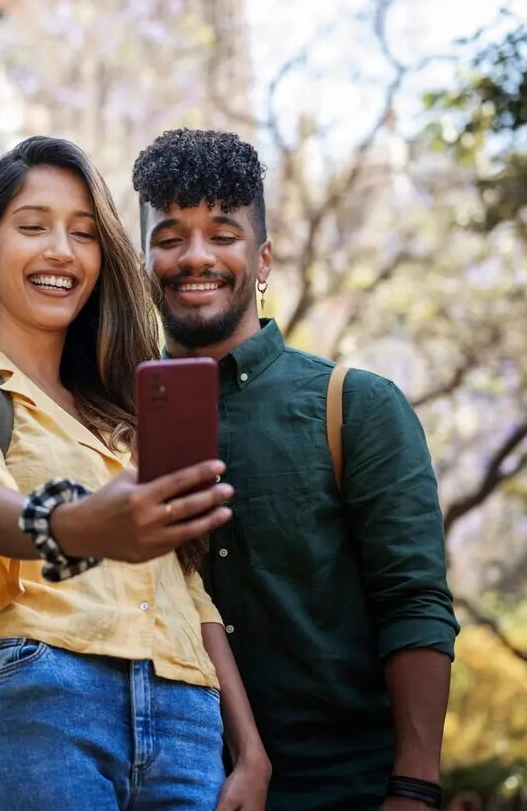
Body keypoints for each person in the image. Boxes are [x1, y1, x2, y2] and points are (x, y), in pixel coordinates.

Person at [0, 135, 272, 810]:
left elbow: (185, 585)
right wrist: (76, 525)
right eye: (33, 227)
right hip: (43, 692)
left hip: (188, 720)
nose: (61, 252)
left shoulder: (122, 410)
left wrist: (249, 750)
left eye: (84, 233)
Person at [132, 128, 460, 811]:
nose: (196, 256)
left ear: (263, 259)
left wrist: (415, 784)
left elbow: (414, 599)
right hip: (173, 787)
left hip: (347, 789)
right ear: (145, 261)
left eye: (222, 234)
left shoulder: (356, 406)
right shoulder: (112, 425)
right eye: (169, 237)